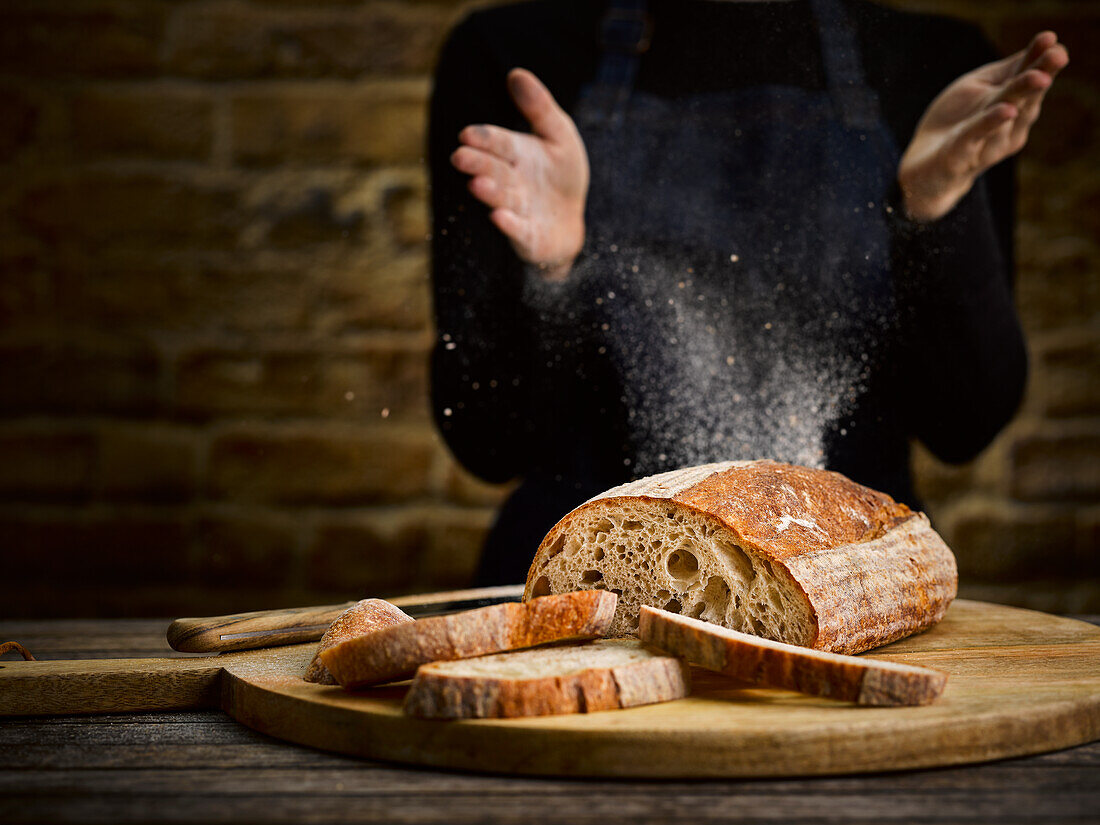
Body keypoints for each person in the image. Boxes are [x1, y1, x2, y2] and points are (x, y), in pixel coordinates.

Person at [427, 0, 1069, 585]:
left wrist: (935, 213)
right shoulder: (513, 54)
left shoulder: (935, 69)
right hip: (580, 583)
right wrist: (554, 273)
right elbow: (488, 442)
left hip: (851, 580)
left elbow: (965, 426)